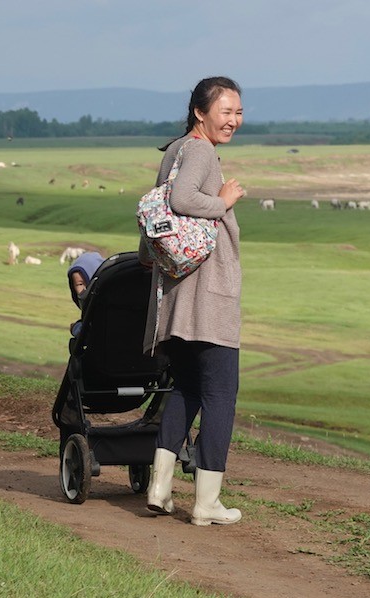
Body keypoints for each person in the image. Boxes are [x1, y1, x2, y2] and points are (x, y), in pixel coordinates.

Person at [139, 76, 247, 527]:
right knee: (221, 394)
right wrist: (222, 202)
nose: (235, 120)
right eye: (226, 111)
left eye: (239, 112)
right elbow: (183, 200)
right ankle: (206, 504)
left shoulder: (176, 150)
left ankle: (160, 488)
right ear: (201, 112)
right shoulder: (201, 151)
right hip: (208, 300)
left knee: (184, 389)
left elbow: (163, 206)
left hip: (178, 298)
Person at [66, 250, 104, 337]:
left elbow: (92, 331)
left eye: (90, 282)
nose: (85, 289)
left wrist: (76, 328)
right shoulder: (88, 308)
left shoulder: (104, 306)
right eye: (79, 284)